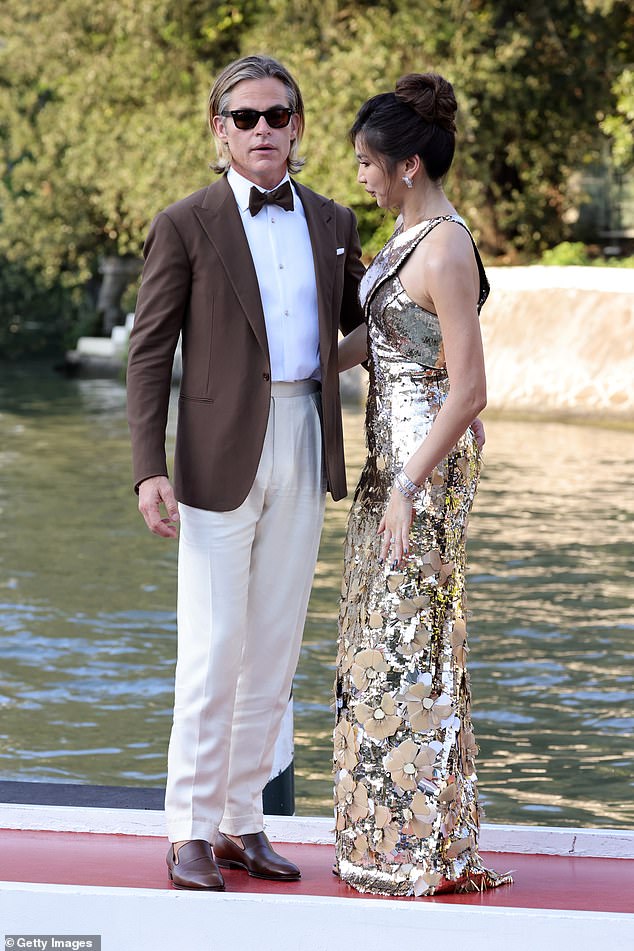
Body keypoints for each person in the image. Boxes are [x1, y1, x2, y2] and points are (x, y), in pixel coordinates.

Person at [127, 54, 364, 890]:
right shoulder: (184, 222)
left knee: (273, 647)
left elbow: (361, 324)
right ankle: (188, 828)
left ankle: (242, 822)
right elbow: (150, 352)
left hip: (306, 432)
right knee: (214, 644)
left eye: (278, 114)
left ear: (299, 126)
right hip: (215, 453)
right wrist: (146, 468)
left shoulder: (334, 219)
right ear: (218, 129)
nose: (263, 129)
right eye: (246, 116)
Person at [332, 72, 512, 897]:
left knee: (413, 646)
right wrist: (297, 367)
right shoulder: (406, 233)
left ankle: (418, 851)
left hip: (423, 472)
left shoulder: (444, 243)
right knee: (378, 645)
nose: (360, 176)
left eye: (368, 163)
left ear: (407, 164)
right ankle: (392, 839)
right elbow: (385, 339)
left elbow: (470, 389)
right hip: (391, 461)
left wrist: (408, 483)